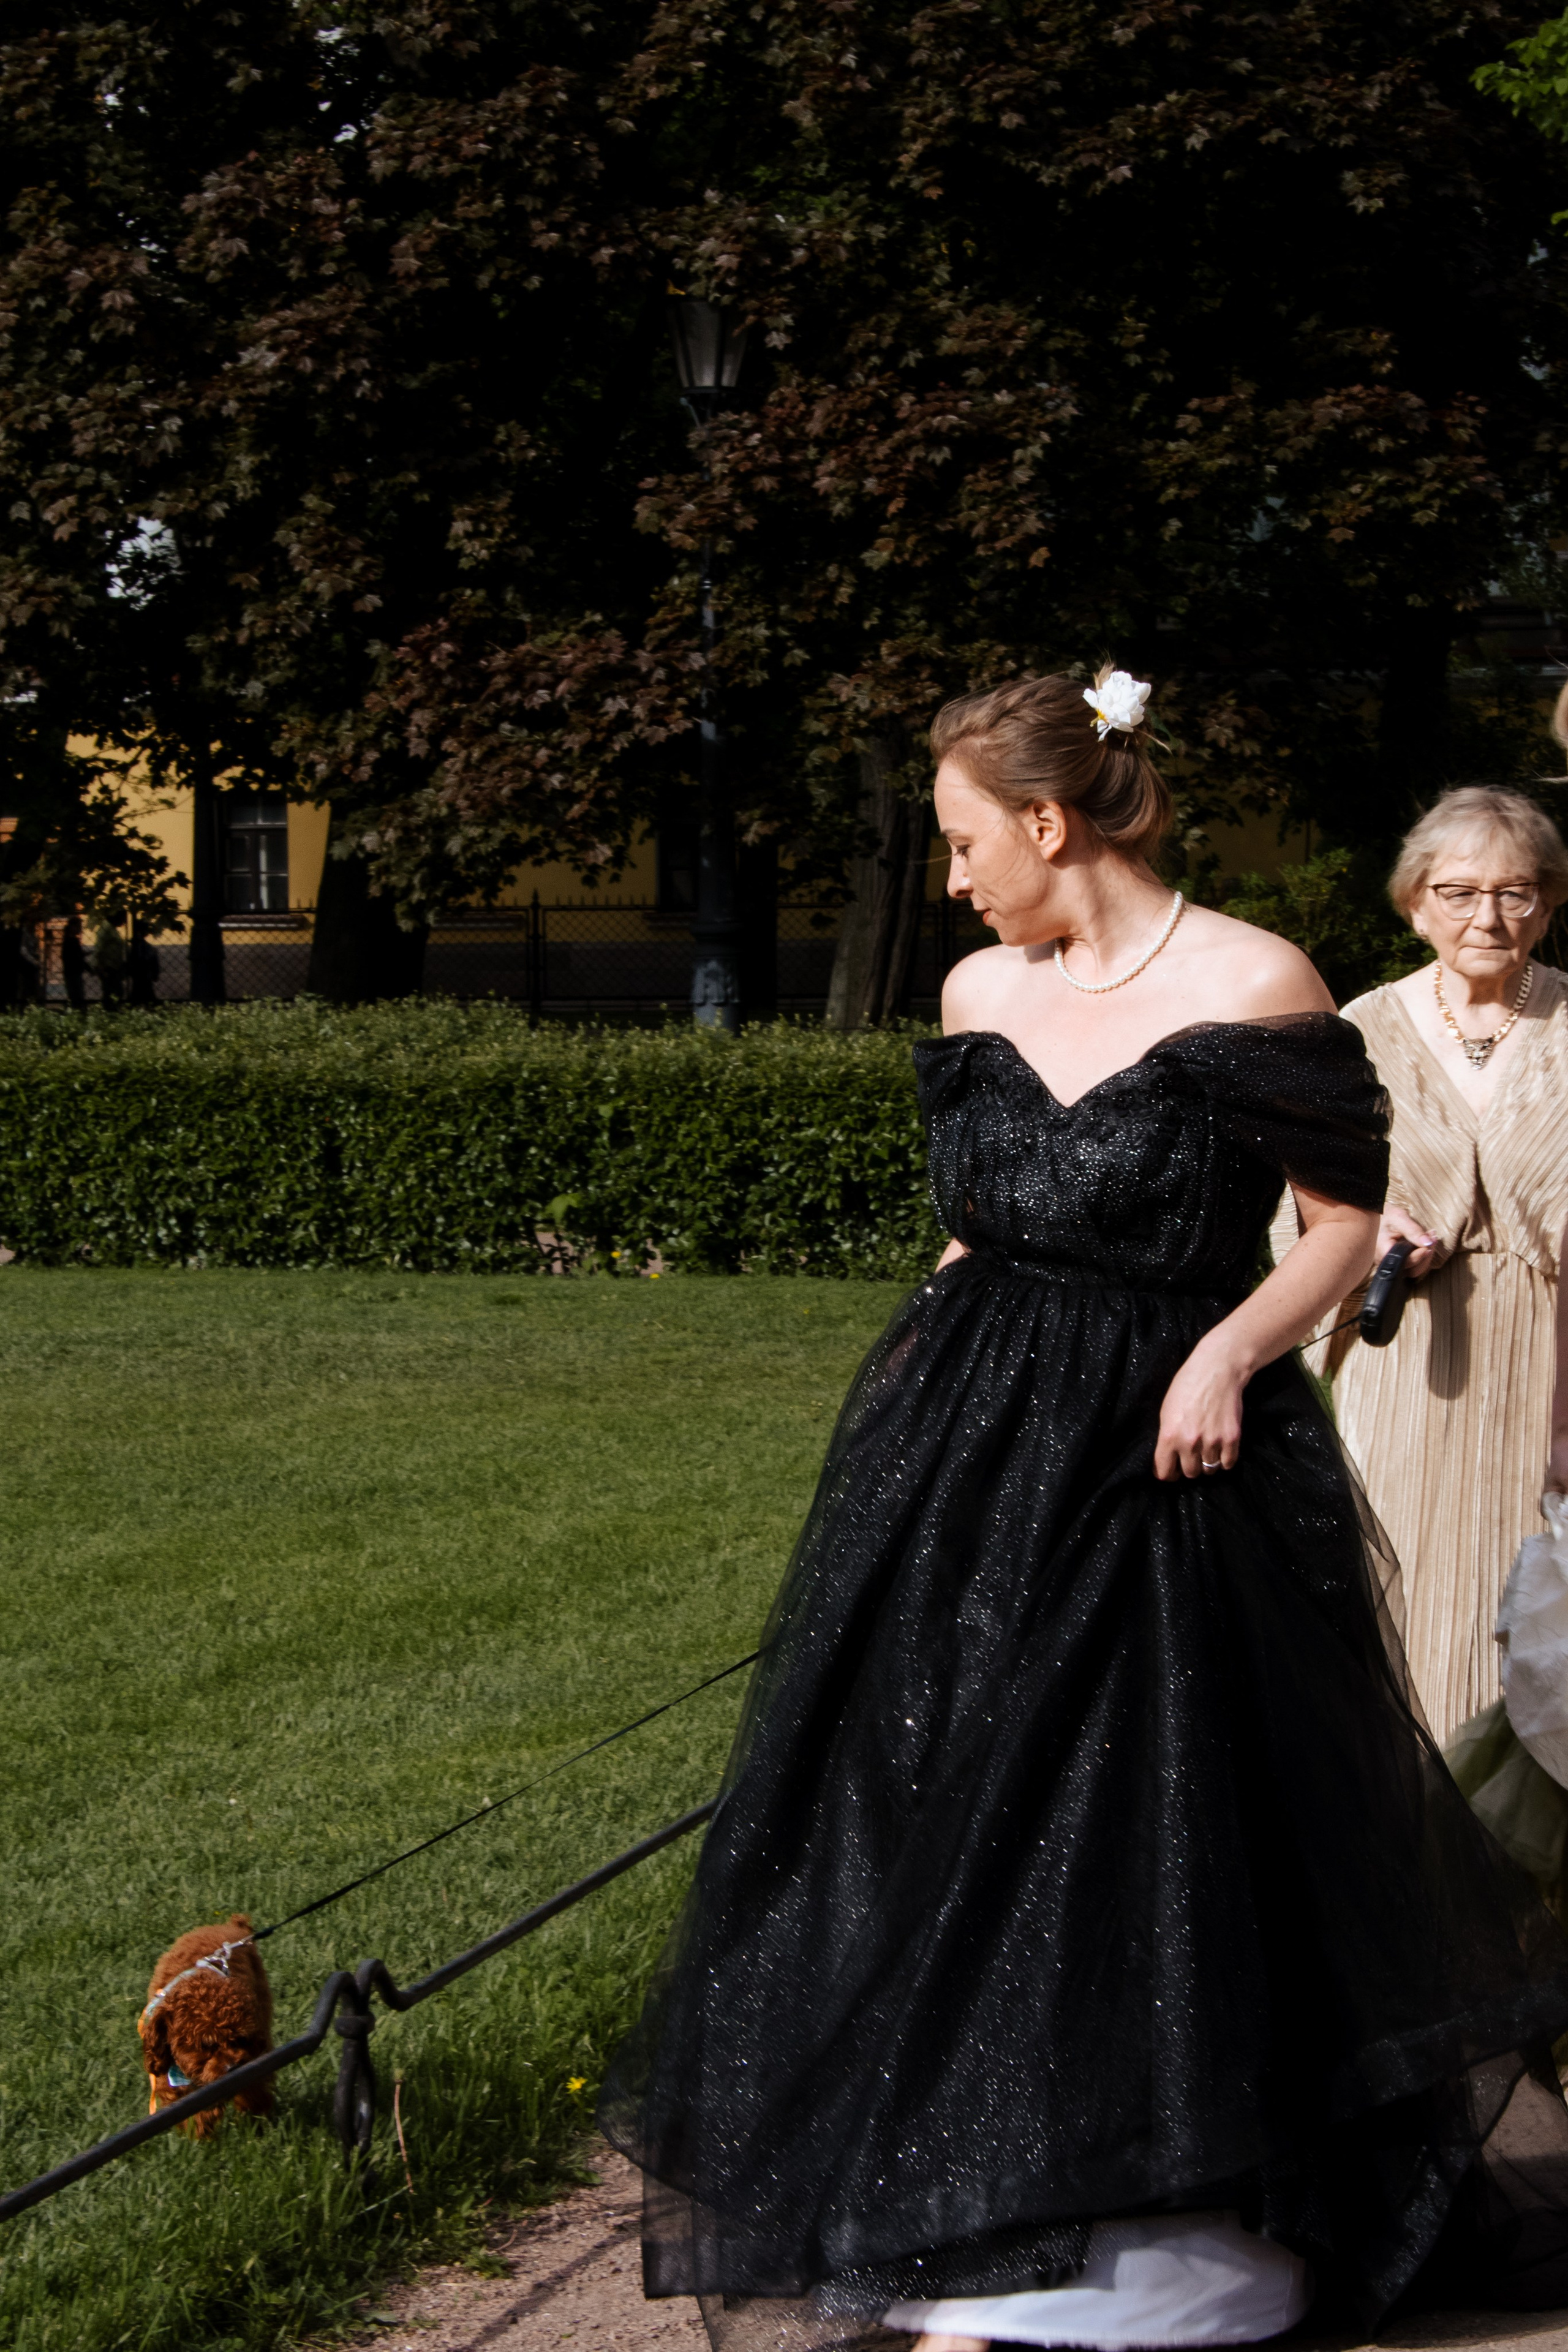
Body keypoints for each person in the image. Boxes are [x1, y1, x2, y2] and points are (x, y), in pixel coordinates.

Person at [601, 672, 1568, 2352]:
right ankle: (958, 2188)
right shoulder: (979, 986)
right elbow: (978, 1233)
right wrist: (913, 1391)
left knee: (1139, 1811)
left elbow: (1346, 1224)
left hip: (1176, 1456)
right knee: (930, 1796)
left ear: (1049, 822)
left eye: (968, 840)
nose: (956, 877)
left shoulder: (1258, 980)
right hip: (973, 1448)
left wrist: (1227, 1359)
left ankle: (1154, 2206)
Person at [1296, 785, 1568, 1746]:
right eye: (1459, 893)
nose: (1488, 917)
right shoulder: (1358, 1032)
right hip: (1406, 1366)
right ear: (1415, 903)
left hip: (1553, 1368)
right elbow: (1301, 1202)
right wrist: (1362, 1235)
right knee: (1401, 1605)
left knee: (1536, 1621)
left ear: (1551, 901)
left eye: (1517, 893)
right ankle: (1405, 1856)